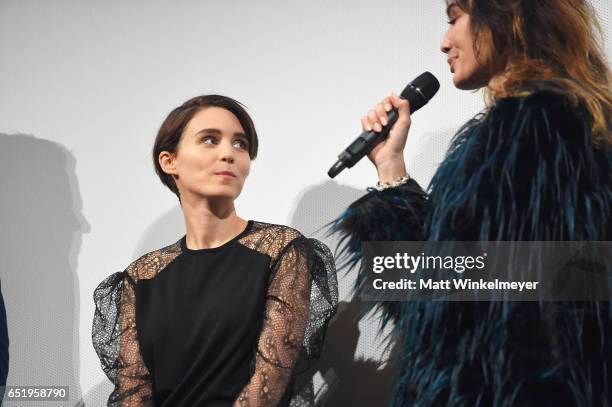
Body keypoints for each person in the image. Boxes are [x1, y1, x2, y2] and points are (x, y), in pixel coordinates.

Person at [333, 0, 612, 405]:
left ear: (509, 14)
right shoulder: (564, 127)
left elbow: (450, 315)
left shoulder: (529, 137)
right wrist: (390, 166)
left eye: (454, 17)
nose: (445, 43)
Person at [92, 95, 338, 407]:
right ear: (169, 161)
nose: (229, 154)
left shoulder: (280, 252)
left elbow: (267, 386)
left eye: (240, 144)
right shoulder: (140, 277)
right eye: (210, 140)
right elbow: (133, 392)